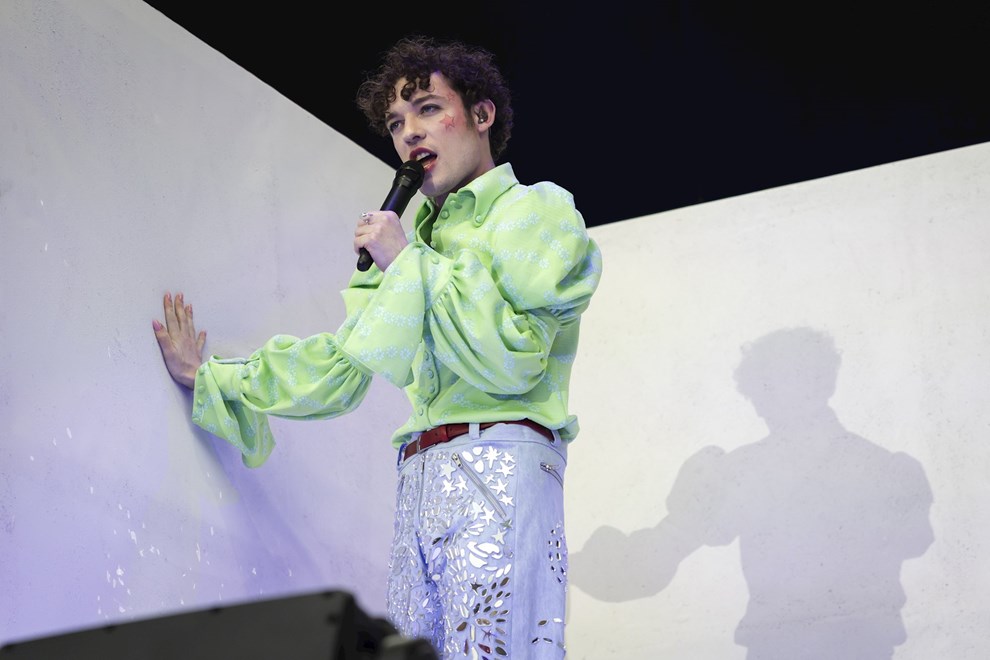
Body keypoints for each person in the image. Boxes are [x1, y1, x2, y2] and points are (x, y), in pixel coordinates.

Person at [153, 35, 602, 659]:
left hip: (501, 463)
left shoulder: (535, 210)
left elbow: (512, 356)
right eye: (395, 123)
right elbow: (343, 368)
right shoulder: (408, 245)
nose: (409, 133)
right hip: (418, 478)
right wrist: (214, 376)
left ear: (481, 114)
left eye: (428, 109)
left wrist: (406, 260)